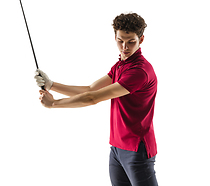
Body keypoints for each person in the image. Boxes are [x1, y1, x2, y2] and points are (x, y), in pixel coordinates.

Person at [36, 12, 158, 186]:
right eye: (120, 40)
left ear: (141, 39)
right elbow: (90, 88)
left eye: (131, 41)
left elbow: (92, 98)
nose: (125, 46)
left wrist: (54, 103)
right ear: (115, 36)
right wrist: (51, 85)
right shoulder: (120, 65)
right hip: (117, 148)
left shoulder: (139, 71)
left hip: (136, 149)